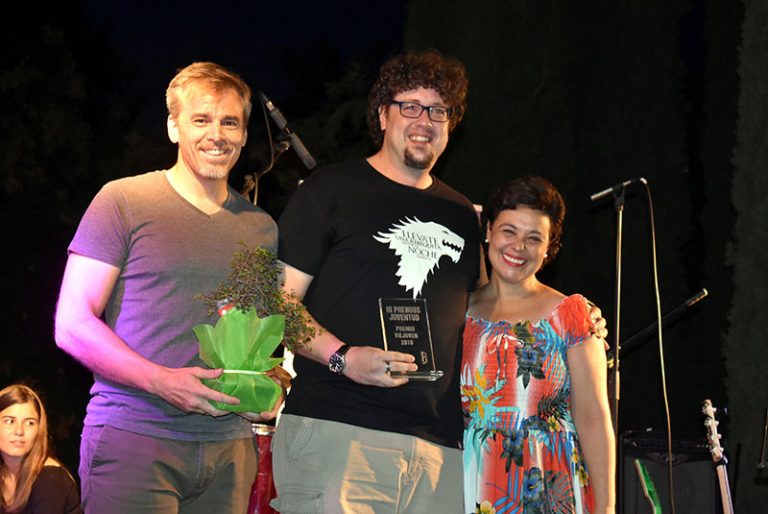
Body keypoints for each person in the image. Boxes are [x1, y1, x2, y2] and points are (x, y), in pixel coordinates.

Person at [54, 62, 280, 513]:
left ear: (244, 135)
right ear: (173, 127)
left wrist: (268, 387)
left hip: (230, 450)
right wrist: (161, 381)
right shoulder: (123, 200)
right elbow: (72, 323)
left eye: (230, 122)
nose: (217, 133)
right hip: (136, 436)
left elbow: (251, 337)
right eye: (201, 119)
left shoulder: (262, 228)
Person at [270, 49, 479, 513]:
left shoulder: (462, 216)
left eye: (438, 110)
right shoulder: (331, 191)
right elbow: (276, 305)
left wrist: (566, 318)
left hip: (438, 451)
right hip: (338, 431)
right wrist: (343, 358)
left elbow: (484, 312)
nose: (424, 119)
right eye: (410, 105)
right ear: (383, 114)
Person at [461, 176, 615, 514]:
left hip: (549, 485)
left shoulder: (572, 314)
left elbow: (593, 418)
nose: (519, 247)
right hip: (471, 485)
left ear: (549, 248)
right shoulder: (460, 312)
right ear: (488, 231)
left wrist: (606, 508)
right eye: (509, 231)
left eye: (534, 238)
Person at [0, 384, 82, 514]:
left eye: (29, 423)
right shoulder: (4, 474)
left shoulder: (49, 478)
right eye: (10, 421)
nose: (19, 431)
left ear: (39, 430)